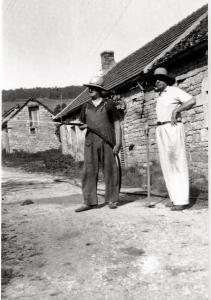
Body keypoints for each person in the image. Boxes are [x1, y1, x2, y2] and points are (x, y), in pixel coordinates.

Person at [75, 75, 122, 212]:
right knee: (89, 171)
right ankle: (89, 202)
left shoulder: (109, 104)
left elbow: (117, 123)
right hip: (90, 141)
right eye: (89, 87)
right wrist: (82, 126)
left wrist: (118, 143)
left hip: (107, 141)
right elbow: (82, 123)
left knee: (110, 170)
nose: (90, 90)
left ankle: (112, 200)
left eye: (93, 88)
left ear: (99, 90)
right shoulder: (85, 106)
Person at [152, 67, 196, 211]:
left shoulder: (174, 91)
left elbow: (192, 100)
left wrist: (177, 110)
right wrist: (151, 124)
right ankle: (174, 198)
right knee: (167, 164)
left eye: (160, 78)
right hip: (162, 129)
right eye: (155, 79)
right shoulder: (160, 96)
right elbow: (163, 115)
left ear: (166, 80)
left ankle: (182, 199)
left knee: (177, 162)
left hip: (173, 128)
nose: (157, 81)